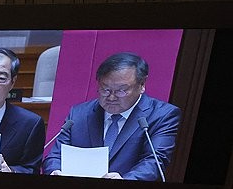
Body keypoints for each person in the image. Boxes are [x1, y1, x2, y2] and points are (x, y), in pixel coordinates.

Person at [44, 52, 181, 181]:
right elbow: (55, 156)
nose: (111, 97)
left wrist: (123, 182)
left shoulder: (162, 115)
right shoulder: (79, 114)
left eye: (121, 90)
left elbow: (154, 160)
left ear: (142, 85)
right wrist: (54, 171)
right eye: (105, 89)